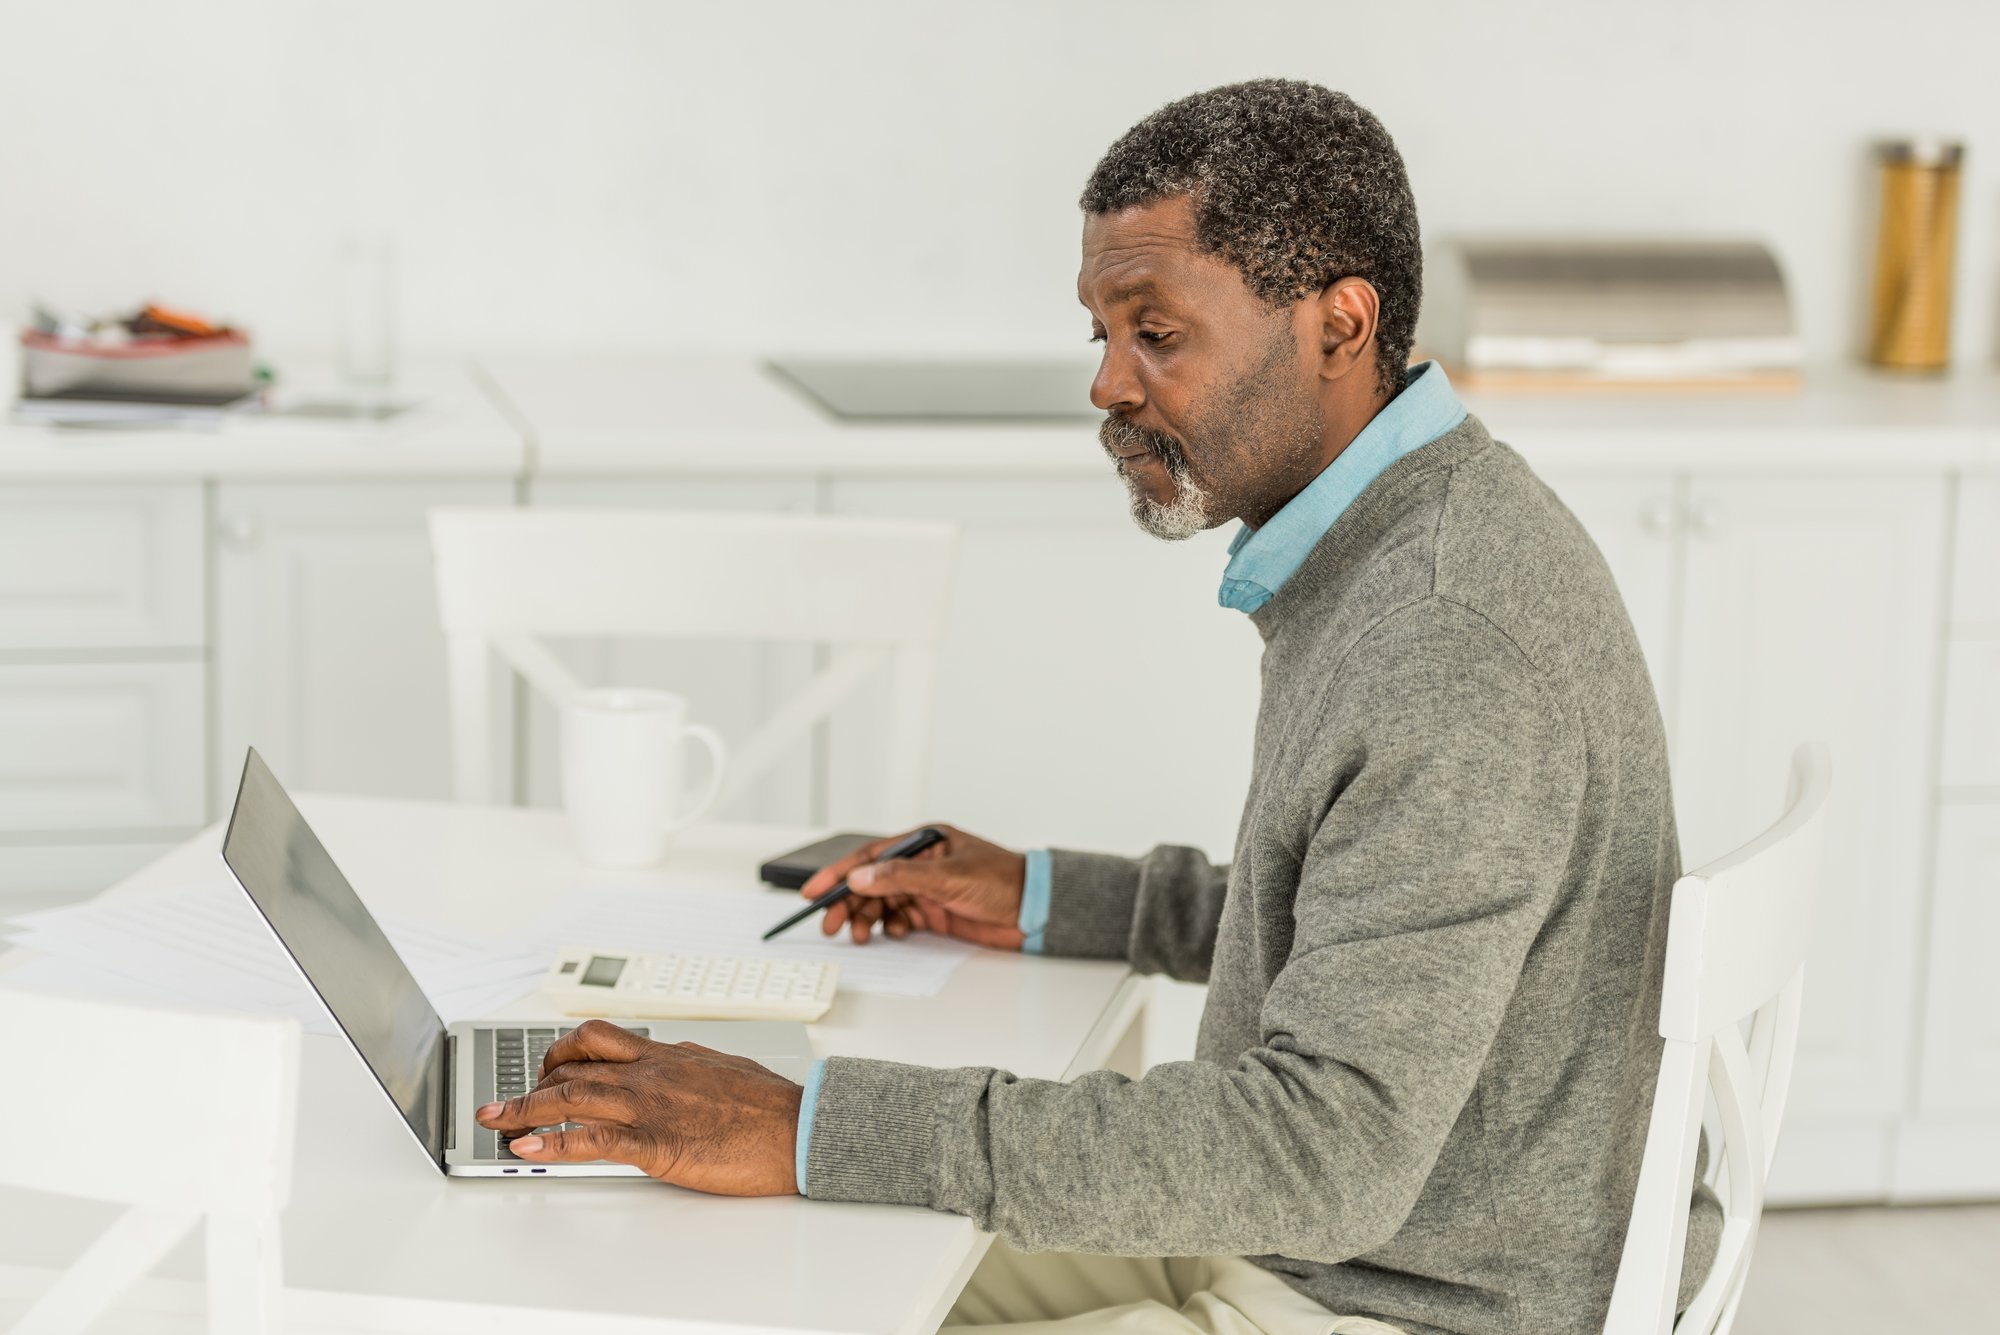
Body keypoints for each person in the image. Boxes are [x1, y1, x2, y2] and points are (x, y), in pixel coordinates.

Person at [477, 79, 1721, 1335]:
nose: (1108, 386)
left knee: (766, 1258)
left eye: (1156, 334)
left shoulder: (1444, 640)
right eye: (1100, 335)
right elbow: (1372, 930)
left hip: (1399, 1302)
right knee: (721, 1256)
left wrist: (806, 1119)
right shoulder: (1411, 543)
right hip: (1351, 1259)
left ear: (1339, 325)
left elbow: (1318, 1158)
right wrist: (1049, 898)